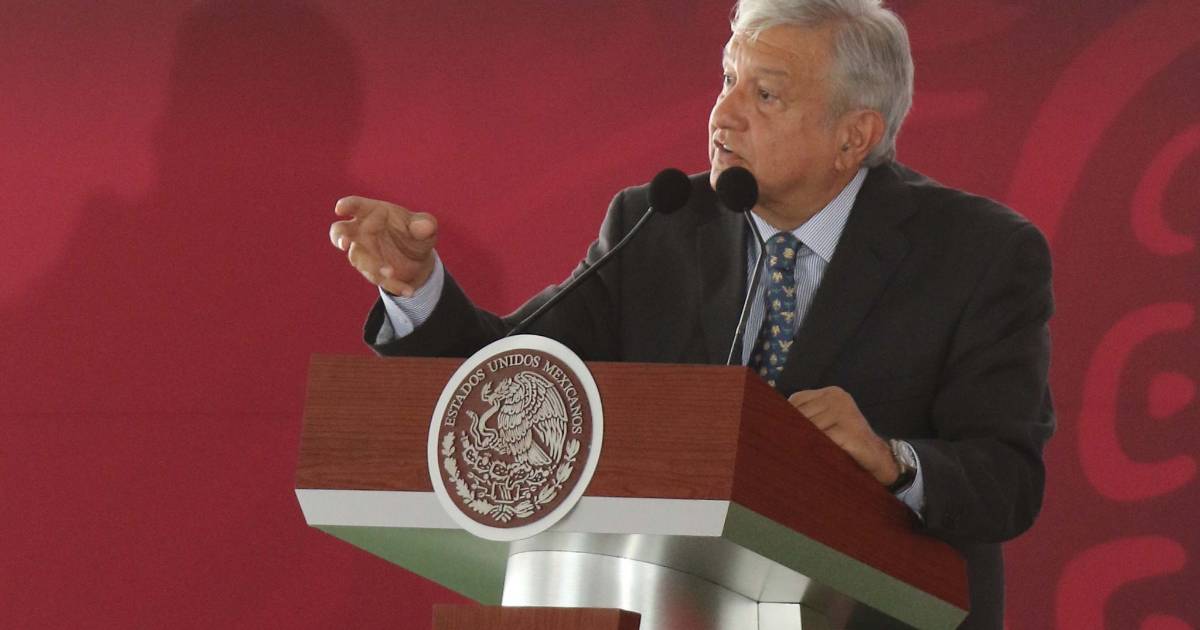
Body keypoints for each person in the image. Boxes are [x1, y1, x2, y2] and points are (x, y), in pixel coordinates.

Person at [328, 1, 1054, 627]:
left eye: (765, 95)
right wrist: (416, 289)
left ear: (853, 136)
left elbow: (1008, 479)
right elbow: (513, 380)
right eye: (727, 79)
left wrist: (893, 461)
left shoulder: (980, 254)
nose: (724, 114)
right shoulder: (658, 225)